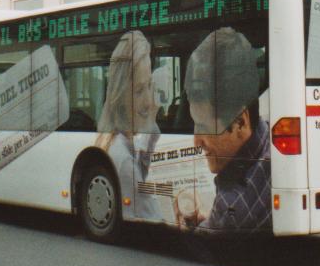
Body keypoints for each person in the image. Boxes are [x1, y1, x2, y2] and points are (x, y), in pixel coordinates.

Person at [175, 27, 270, 232]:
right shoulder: (269, 140)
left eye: (205, 126)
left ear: (240, 123)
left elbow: (223, 227)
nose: (197, 142)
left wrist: (191, 229)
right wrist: (207, 221)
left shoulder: (232, 207)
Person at [96, 30, 162, 221]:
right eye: (139, 90)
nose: (148, 101)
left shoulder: (121, 141)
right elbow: (154, 217)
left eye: (149, 86)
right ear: (120, 95)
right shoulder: (123, 159)